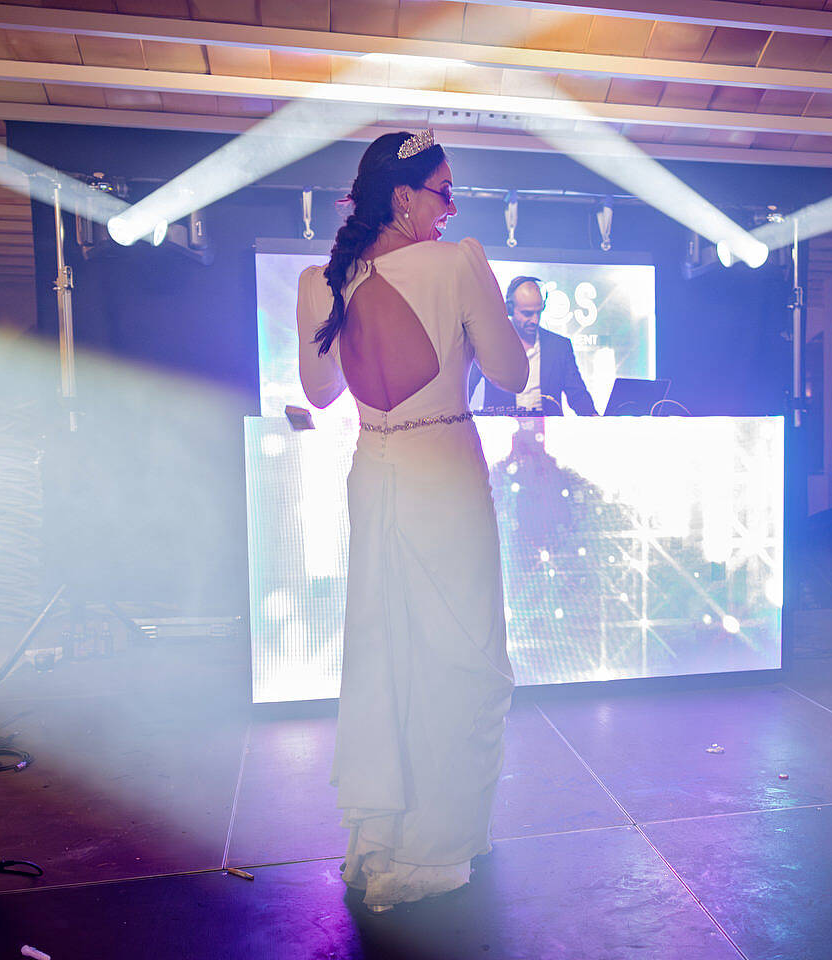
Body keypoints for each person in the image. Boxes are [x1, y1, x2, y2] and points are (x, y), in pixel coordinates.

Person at [295, 130, 528, 909]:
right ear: (403, 198)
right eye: (444, 191)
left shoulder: (321, 281)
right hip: (445, 469)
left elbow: (320, 392)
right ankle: (439, 845)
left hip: (375, 469)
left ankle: (381, 840)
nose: (451, 207)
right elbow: (512, 371)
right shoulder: (458, 263)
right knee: (463, 659)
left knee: (385, 654)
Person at [470, 276, 598, 415]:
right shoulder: (489, 345)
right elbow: (466, 388)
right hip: (504, 427)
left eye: (539, 312)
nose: (535, 320)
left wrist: (594, 418)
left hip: (548, 427)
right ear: (509, 310)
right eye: (528, 314)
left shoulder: (560, 346)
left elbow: (577, 395)